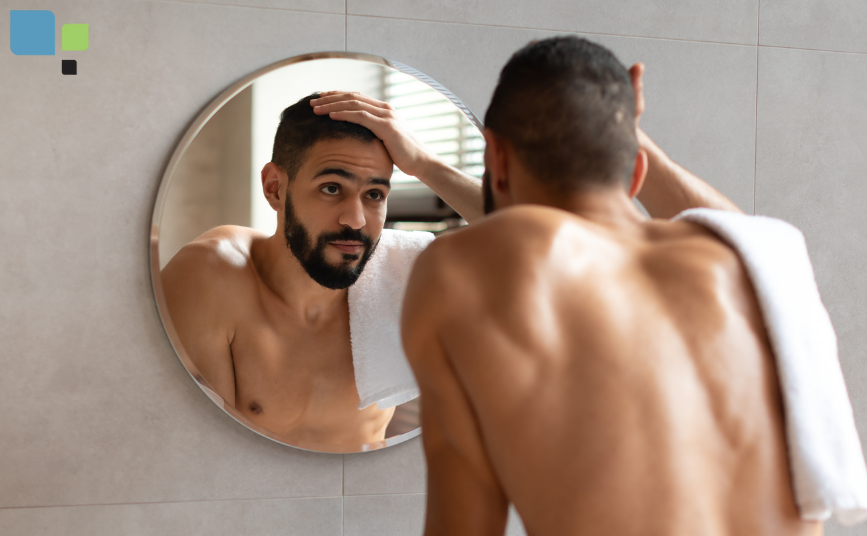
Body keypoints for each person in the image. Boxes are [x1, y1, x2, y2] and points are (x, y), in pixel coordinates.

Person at [401, 37, 823, 535]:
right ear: (637, 169)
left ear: (497, 157)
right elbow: (737, 231)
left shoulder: (457, 272)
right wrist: (623, 130)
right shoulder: (765, 268)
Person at [161, 91, 482, 451]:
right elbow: (200, 454)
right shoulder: (213, 277)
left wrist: (425, 164)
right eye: (332, 188)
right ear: (275, 188)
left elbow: (544, 243)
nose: (356, 220)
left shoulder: (402, 274)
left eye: (374, 194)